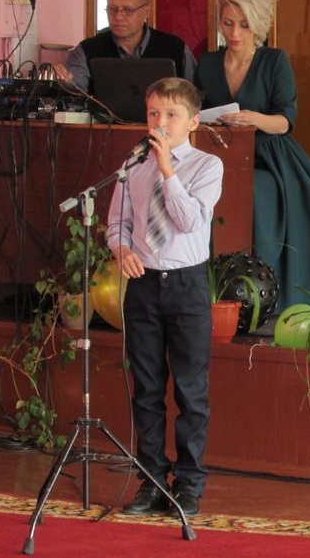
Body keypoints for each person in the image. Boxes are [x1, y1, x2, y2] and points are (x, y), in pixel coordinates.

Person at [194, 0, 310, 310]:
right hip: (220, 154)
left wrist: (253, 119)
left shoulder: (274, 60)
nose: (234, 33)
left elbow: (285, 121)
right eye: (228, 23)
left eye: (244, 25)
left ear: (258, 25)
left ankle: (274, 291)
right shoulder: (208, 64)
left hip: (271, 155)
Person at [106, 77, 223, 517]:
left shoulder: (208, 166)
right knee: (147, 389)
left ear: (193, 122)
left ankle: (189, 485)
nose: (161, 122)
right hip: (144, 285)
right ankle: (151, 481)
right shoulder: (133, 164)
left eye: (172, 115)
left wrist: (167, 170)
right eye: (154, 113)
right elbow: (118, 222)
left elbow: (189, 220)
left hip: (187, 286)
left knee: (191, 392)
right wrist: (121, 249)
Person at [54, 0, 196, 93]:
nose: (118, 17)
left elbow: (195, 99)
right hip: (103, 120)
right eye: (112, 9)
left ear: (146, 11)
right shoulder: (87, 50)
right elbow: (74, 92)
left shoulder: (176, 49)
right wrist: (64, 81)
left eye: (127, 10)